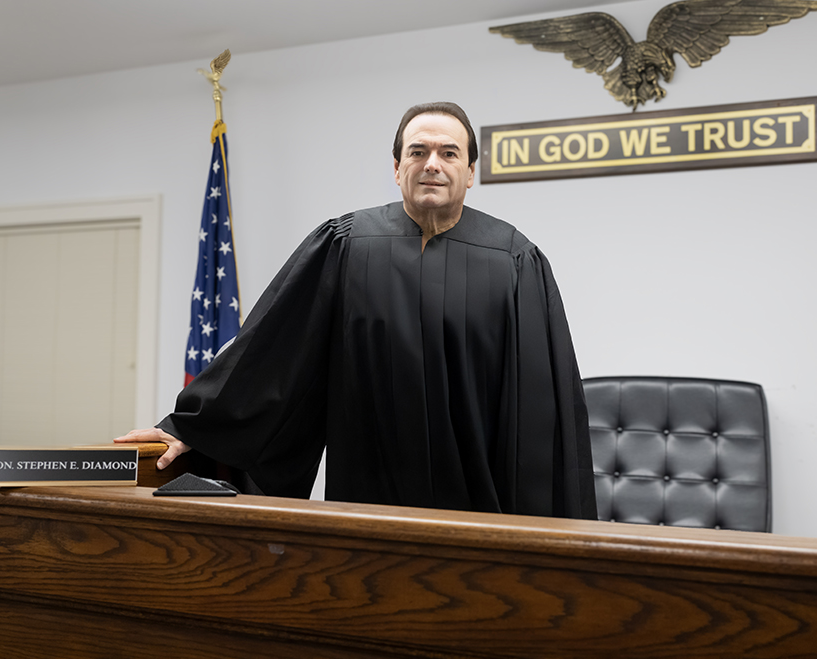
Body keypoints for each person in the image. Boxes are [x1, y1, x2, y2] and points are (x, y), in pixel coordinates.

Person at [117, 102, 597, 519]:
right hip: (367, 501)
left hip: (479, 509)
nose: (433, 163)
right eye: (418, 152)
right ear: (396, 167)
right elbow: (276, 348)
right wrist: (195, 426)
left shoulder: (515, 261)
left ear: (471, 172)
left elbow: (539, 408)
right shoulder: (346, 245)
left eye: (449, 153)